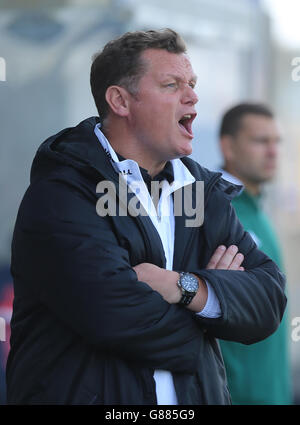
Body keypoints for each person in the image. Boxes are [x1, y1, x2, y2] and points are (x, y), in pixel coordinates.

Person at [6, 29, 287, 405]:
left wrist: (183, 286)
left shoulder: (203, 193)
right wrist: (213, 314)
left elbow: (269, 301)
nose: (192, 96)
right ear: (120, 101)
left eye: (192, 83)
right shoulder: (62, 194)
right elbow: (114, 318)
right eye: (171, 85)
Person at [218, 102, 292, 405]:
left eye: (277, 142)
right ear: (228, 147)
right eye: (261, 141)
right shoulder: (217, 211)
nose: (273, 151)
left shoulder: (257, 208)